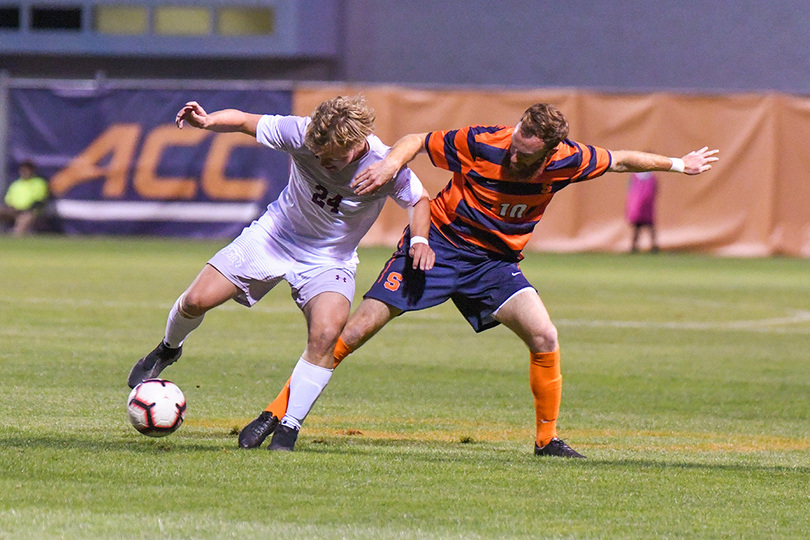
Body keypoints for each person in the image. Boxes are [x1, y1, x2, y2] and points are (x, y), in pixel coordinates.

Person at [240, 102, 719, 457]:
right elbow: (417, 140)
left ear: (549, 152)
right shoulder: (485, 140)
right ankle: (277, 412)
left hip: (493, 264)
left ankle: (547, 441)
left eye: (526, 154)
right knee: (355, 330)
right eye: (516, 144)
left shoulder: (569, 160)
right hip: (438, 247)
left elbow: (623, 159)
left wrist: (680, 165)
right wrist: (390, 164)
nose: (515, 155)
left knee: (544, 333)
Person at [127, 95, 435, 452]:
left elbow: (419, 200)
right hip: (274, 237)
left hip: (329, 259)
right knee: (196, 300)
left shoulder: (383, 165)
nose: (321, 160)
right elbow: (244, 120)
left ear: (354, 145)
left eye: (330, 157)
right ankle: (168, 348)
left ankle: (289, 426)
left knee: (325, 334)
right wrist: (209, 122)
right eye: (316, 153)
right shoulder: (302, 133)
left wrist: (420, 240)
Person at [0, 160, 49, 236]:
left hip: (29, 212)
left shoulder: (39, 183)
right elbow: (8, 200)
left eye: (26, 170)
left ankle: (16, 239)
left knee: (24, 220)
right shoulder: (16, 184)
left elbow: (39, 201)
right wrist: (11, 207)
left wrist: (26, 210)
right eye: (22, 170)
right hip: (14, 210)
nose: (24, 172)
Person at [626, 170, 659, 253]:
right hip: (638, 205)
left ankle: (654, 246)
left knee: (650, 226)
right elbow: (630, 190)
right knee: (637, 227)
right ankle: (634, 246)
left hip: (647, 205)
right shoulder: (635, 177)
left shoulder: (652, 178)